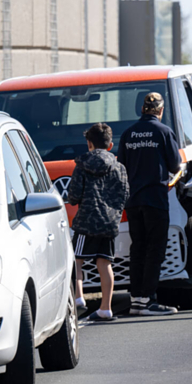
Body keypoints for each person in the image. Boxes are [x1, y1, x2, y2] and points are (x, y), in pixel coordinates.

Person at [117, 92, 181, 316]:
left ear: (142, 109)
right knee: (155, 250)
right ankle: (149, 300)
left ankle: (136, 299)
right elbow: (175, 165)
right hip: (155, 199)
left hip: (133, 201)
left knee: (138, 250)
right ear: (161, 110)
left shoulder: (128, 134)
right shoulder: (164, 132)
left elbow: (121, 166)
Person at [67, 123, 129, 322]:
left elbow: (74, 196)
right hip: (109, 224)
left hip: (86, 222)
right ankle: (106, 308)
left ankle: (78, 298)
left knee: (77, 260)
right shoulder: (119, 167)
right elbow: (125, 195)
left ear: (89, 144)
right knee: (105, 263)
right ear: (110, 145)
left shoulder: (82, 165)